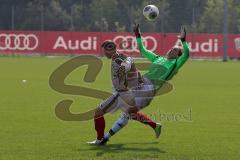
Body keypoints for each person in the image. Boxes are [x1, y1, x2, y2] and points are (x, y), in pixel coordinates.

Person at [100, 24, 189, 145]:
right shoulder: (158, 58)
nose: (171, 50)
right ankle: (152, 125)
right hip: (141, 82)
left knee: (129, 113)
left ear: (177, 56)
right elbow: (142, 49)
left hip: (150, 88)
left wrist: (183, 40)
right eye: (172, 48)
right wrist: (138, 35)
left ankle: (106, 137)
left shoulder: (175, 64)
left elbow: (186, 54)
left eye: (175, 50)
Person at [88, 40, 161, 145]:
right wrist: (138, 78)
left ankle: (99, 140)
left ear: (110, 50)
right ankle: (155, 125)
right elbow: (131, 64)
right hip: (128, 93)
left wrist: (123, 69)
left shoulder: (118, 59)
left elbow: (125, 65)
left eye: (105, 51)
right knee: (131, 113)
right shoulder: (122, 56)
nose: (104, 53)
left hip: (121, 93)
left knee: (98, 113)